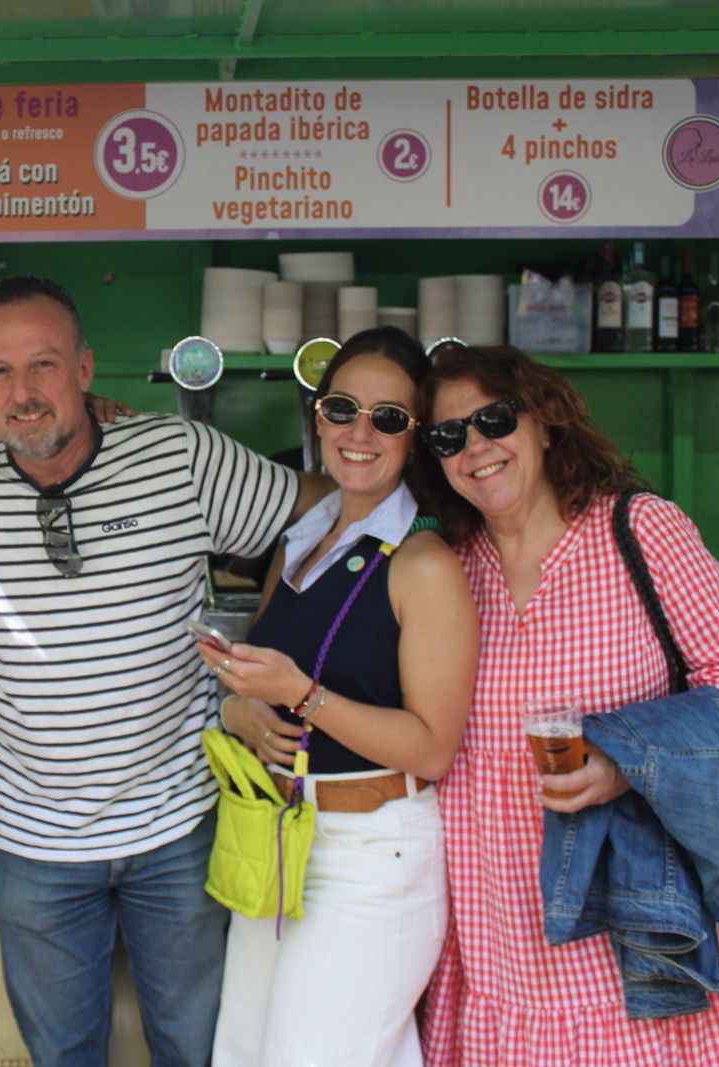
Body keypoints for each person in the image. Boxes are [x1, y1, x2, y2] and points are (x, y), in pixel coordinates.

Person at [0, 275, 322, 1067]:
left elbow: (319, 512)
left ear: (86, 368)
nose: (23, 392)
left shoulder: (178, 455)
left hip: (179, 829)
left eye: (44, 365)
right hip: (36, 842)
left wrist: (262, 649)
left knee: (197, 1052)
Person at [412, 345, 719, 1066]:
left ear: (545, 423)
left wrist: (623, 762)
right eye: (449, 435)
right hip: (493, 915)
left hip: (628, 896)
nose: (475, 446)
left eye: (493, 418)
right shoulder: (447, 567)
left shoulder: (641, 531)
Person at [202, 327, 478, 1067]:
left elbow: (433, 745)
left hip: (372, 855)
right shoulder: (301, 539)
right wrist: (241, 708)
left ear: (415, 438)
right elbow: (259, 687)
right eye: (343, 408)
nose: (361, 432)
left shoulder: (423, 563)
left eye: (389, 418)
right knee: (243, 1053)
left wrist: (303, 695)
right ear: (318, 415)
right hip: (284, 837)